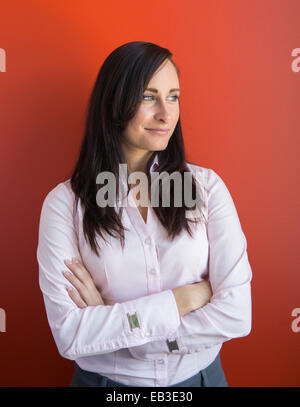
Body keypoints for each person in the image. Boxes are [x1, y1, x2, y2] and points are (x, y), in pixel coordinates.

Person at [36, 41, 252, 387]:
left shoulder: (207, 188)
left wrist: (121, 332)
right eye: (149, 97)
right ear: (114, 103)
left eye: (174, 96)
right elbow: (71, 335)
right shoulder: (64, 204)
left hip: (200, 381)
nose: (166, 114)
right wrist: (183, 299)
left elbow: (236, 314)